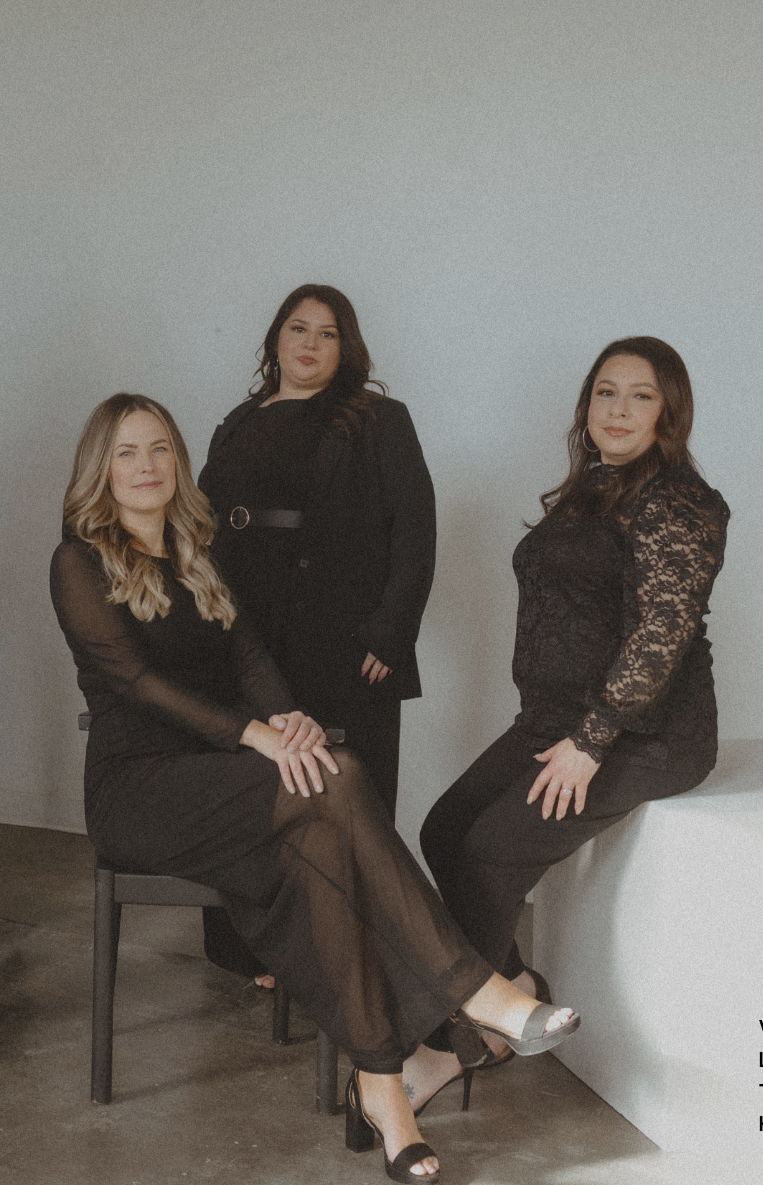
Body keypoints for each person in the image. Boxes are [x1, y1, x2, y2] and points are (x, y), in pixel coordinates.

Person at [51, 393, 578, 1183]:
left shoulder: (197, 551)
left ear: (178, 462)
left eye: (160, 448)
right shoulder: (78, 560)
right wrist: (254, 735)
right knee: (339, 785)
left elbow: (251, 657)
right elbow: (133, 680)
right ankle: (477, 991)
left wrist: (289, 719)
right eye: (127, 452)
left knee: (328, 825)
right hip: (140, 791)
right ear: (100, 468)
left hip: (223, 780)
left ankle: (383, 1092)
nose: (147, 466)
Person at [401, 337, 729, 1108]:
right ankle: (514, 984)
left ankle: (450, 1047)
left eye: (640, 396)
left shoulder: (678, 500)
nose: (617, 410)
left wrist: (592, 740)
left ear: (669, 411)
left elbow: (663, 631)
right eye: (604, 393)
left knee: (489, 852)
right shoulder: (596, 489)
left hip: (645, 732)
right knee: (445, 831)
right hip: (555, 717)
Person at [197, 284, 435, 982]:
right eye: (297, 329)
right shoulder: (236, 423)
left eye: (327, 334)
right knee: (256, 792)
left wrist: (391, 635)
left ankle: (353, 951)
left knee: (348, 797)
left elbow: (414, 532)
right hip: (247, 632)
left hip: (345, 641)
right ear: (275, 339)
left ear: (346, 348)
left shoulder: (378, 420)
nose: (309, 344)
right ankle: (255, 949)